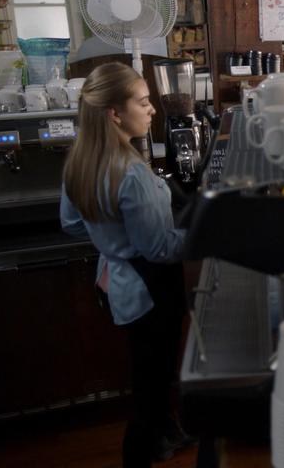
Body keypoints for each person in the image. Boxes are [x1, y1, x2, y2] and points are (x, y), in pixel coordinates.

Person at [59, 62, 192, 467]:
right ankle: (140, 454)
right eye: (143, 101)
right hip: (151, 286)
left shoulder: (80, 161)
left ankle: (166, 435)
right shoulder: (131, 173)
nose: (152, 109)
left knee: (146, 371)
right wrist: (206, 233)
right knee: (151, 387)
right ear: (115, 113)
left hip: (116, 279)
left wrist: (111, 239)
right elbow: (160, 249)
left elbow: (70, 223)